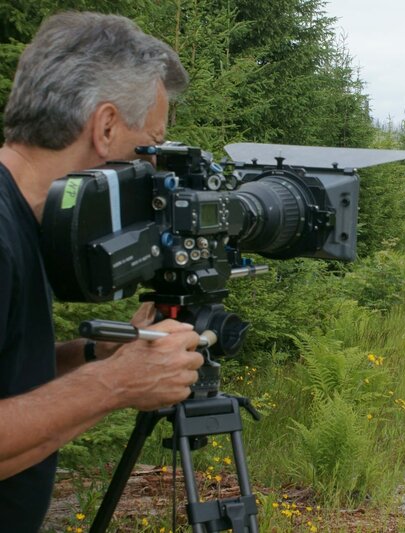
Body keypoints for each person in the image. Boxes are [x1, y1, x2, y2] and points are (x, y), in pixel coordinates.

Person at [0, 12, 205, 530]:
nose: (152, 170)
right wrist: (114, 384)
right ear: (106, 127)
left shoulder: (26, 221)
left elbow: (10, 373)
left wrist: (93, 353)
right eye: (150, 147)